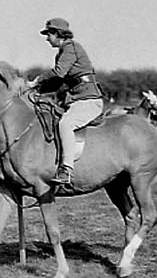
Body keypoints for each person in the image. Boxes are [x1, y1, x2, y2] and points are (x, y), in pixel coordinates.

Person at [29, 18, 104, 184]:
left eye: (49, 34)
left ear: (57, 34)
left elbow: (59, 72)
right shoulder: (62, 53)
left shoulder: (71, 48)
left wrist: (37, 80)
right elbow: (57, 82)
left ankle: (66, 170)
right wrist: (34, 91)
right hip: (76, 100)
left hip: (89, 100)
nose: (47, 39)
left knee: (65, 124)